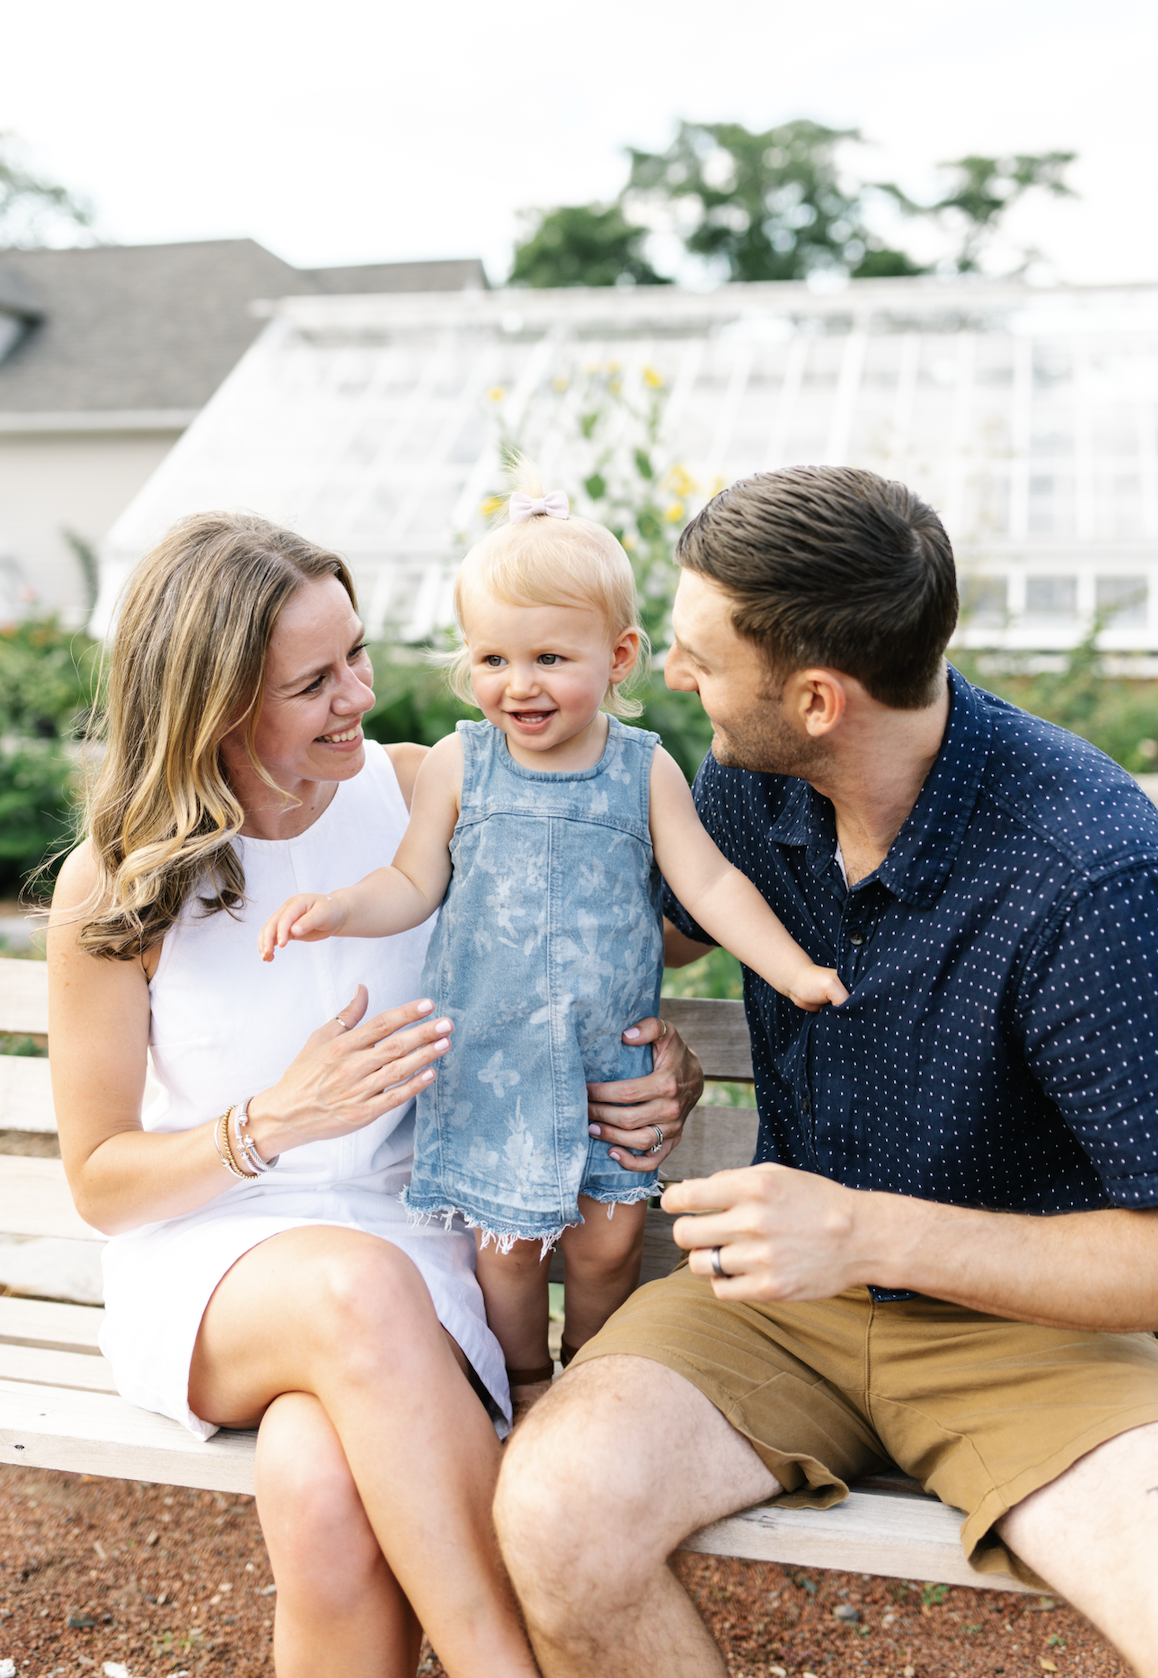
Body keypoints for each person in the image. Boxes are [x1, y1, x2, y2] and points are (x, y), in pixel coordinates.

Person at [493, 465, 1158, 1678]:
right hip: (771, 1309)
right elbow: (656, 934)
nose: (674, 675)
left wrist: (864, 1234)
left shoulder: (1091, 870)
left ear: (814, 698)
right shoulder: (750, 784)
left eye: (696, 653)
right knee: (557, 1514)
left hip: (1030, 1332)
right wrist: (644, 1046)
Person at [47, 509, 700, 1678]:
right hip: (214, 1262)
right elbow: (101, 1183)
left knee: (322, 1490)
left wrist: (660, 1063)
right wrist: (272, 1123)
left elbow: (604, 945)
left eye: (357, 652)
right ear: (217, 700)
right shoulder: (124, 880)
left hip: (423, 1249)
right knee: (353, 1287)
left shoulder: (420, 793)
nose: (360, 691)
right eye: (314, 679)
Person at [260, 470, 846, 1406]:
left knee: (608, 1241)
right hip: (492, 1060)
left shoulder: (641, 770)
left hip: (606, 1066)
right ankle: (525, 1379)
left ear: (618, 657)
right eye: (492, 660)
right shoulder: (461, 763)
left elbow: (710, 884)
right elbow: (413, 883)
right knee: (508, 1252)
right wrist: (340, 906)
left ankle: (593, 1376)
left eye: (549, 659)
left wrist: (792, 970)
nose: (519, 685)